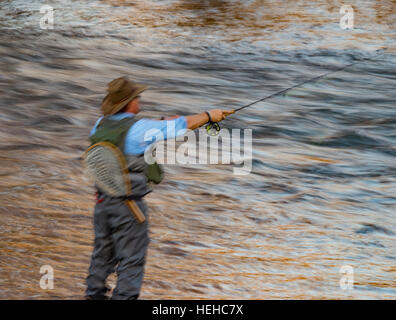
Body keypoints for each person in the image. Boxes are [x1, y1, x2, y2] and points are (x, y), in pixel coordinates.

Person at [85, 76, 233, 300]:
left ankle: (93, 295)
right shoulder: (141, 128)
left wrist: (165, 122)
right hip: (129, 207)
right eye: (137, 97)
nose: (140, 100)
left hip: (102, 203)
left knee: (101, 257)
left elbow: (145, 130)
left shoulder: (100, 125)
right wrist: (210, 116)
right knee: (131, 261)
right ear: (129, 102)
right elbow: (181, 126)